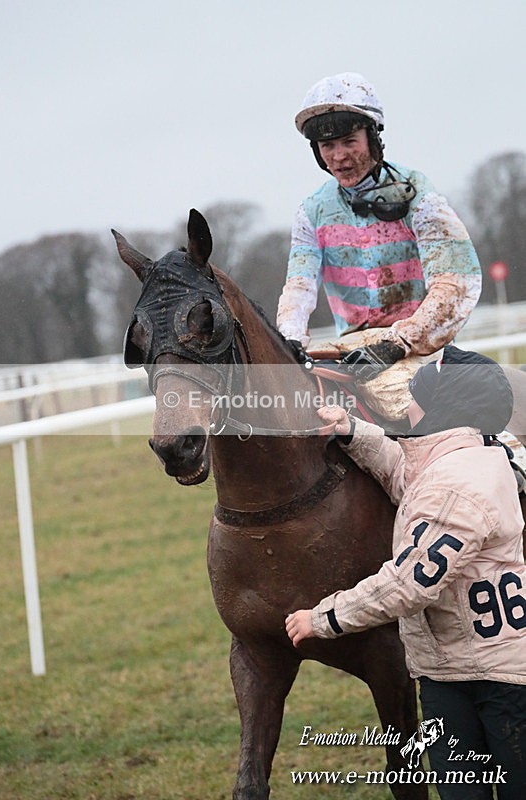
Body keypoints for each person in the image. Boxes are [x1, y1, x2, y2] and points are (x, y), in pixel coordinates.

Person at [285, 345, 526, 799]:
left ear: (441, 407)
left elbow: (408, 585)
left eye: (417, 393)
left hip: (493, 683)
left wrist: (322, 618)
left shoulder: (457, 487)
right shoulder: (463, 457)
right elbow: (409, 474)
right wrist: (353, 430)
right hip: (456, 671)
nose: (406, 403)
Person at [276, 72, 482, 421]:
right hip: (350, 349)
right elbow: (299, 286)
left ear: (372, 137)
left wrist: (398, 342)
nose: (339, 156)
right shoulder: (311, 211)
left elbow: (456, 283)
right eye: (327, 146)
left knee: (404, 409)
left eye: (348, 141)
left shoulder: (418, 194)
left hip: (419, 350)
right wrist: (289, 341)